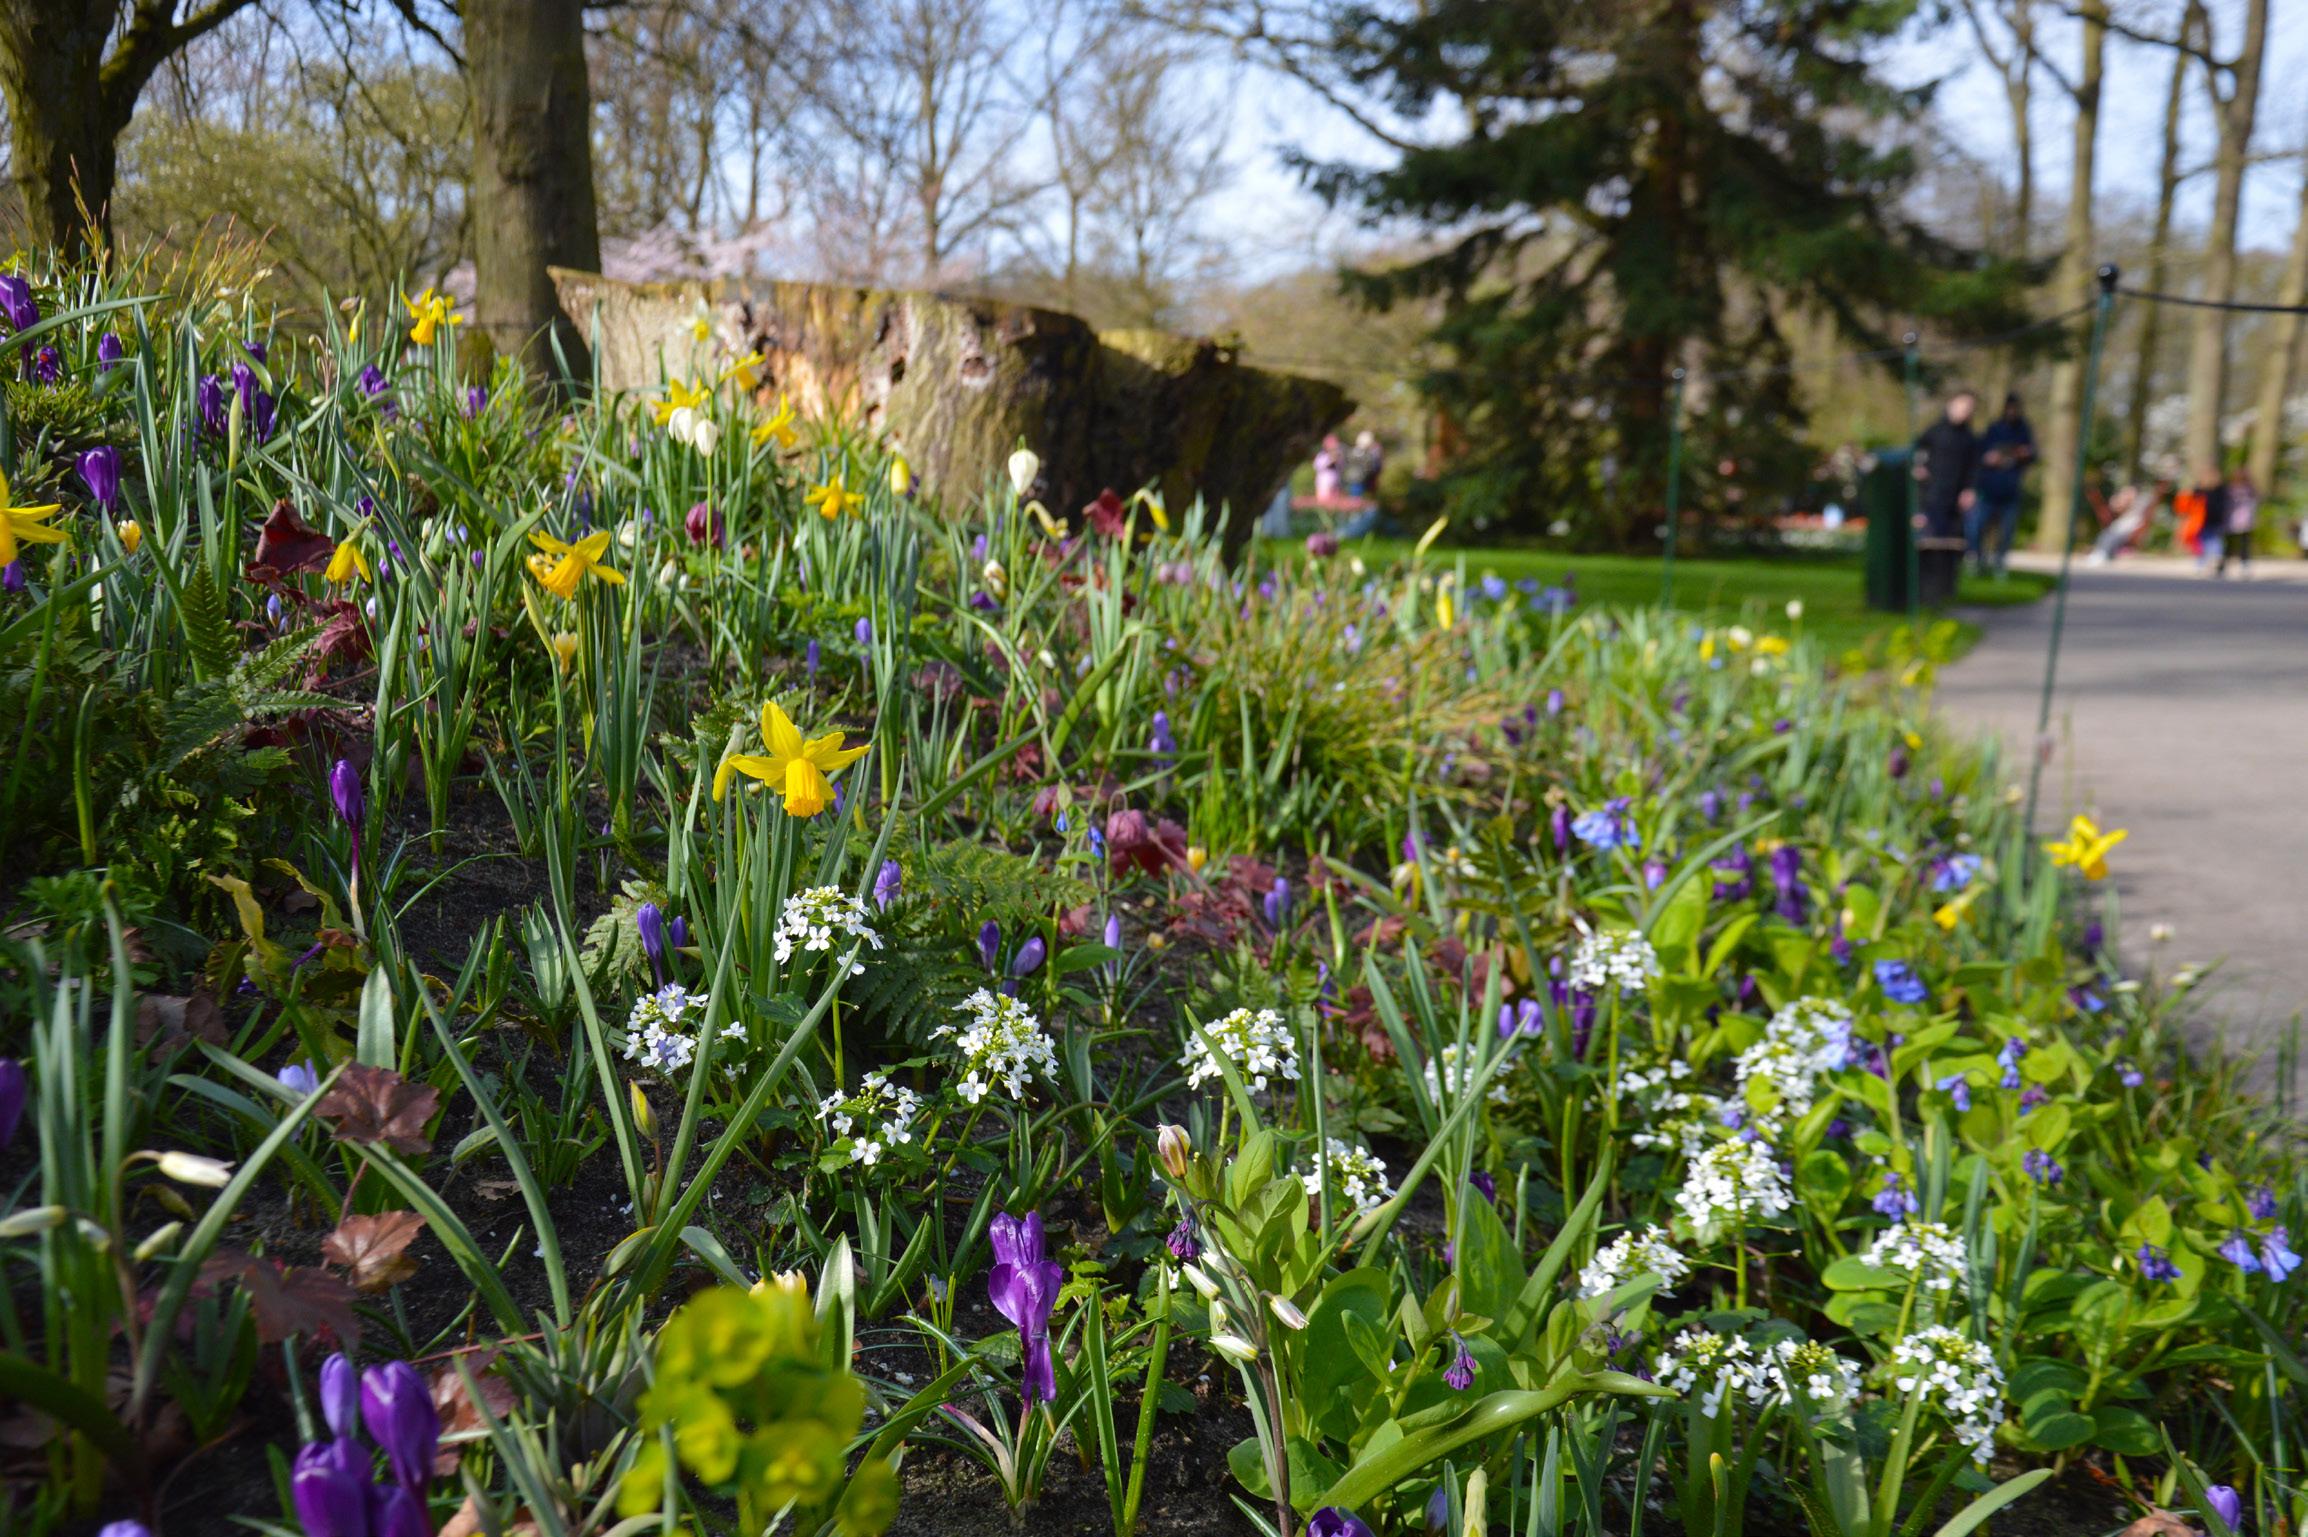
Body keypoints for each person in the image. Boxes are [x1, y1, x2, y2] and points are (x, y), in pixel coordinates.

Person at [1969, 393, 2035, 574]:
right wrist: (1988, 458)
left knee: (2006, 531)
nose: (2012, 412)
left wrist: (2024, 454)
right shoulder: (1994, 429)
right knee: (1978, 527)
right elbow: (1979, 453)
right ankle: (1978, 559)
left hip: (2010, 489)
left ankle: (1999, 563)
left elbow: (2032, 454)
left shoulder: (2023, 430)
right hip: (1988, 488)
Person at [1913, 389, 1979, 539]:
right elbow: (1917, 452)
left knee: (1952, 539)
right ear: (1951, 405)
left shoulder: (1969, 438)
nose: (1964, 410)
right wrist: (1918, 466)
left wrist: (1969, 489)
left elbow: (1973, 468)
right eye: (1961, 405)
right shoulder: (1934, 431)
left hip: (1955, 500)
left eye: (1969, 407)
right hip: (1931, 495)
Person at [2216, 467, 2258, 578]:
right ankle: (2222, 567)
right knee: (2229, 545)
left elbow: (2255, 502)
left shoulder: (2250, 489)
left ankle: (2244, 567)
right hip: (2231, 519)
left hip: (2245, 520)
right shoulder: (2229, 489)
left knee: (2244, 545)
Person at [1313, 435, 1343, 504]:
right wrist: (1330, 461)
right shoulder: (1322, 455)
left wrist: (1338, 460)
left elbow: (1341, 468)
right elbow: (1317, 466)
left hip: (1335, 482)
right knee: (1324, 502)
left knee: (1334, 503)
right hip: (1324, 483)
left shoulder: (1338, 455)